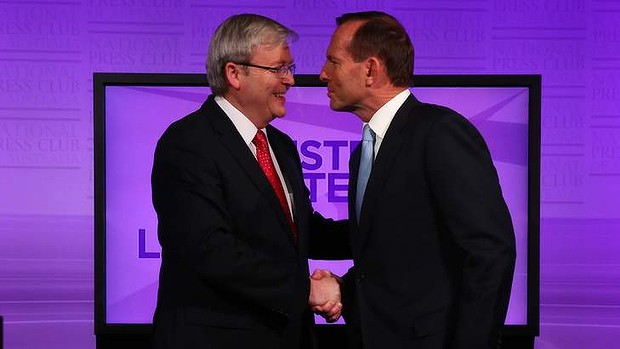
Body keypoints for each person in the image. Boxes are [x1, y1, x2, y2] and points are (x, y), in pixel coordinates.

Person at [313, 11, 517, 349]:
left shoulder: (439, 133)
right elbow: (396, 251)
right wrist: (342, 288)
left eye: (333, 62)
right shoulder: (365, 151)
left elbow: (490, 252)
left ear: (370, 70)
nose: (323, 74)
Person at [150, 14, 346, 349]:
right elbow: (210, 249)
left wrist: (374, 231)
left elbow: (299, 232)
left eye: (290, 68)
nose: (290, 81)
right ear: (234, 73)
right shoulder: (188, 143)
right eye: (278, 69)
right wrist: (307, 291)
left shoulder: (280, 146)